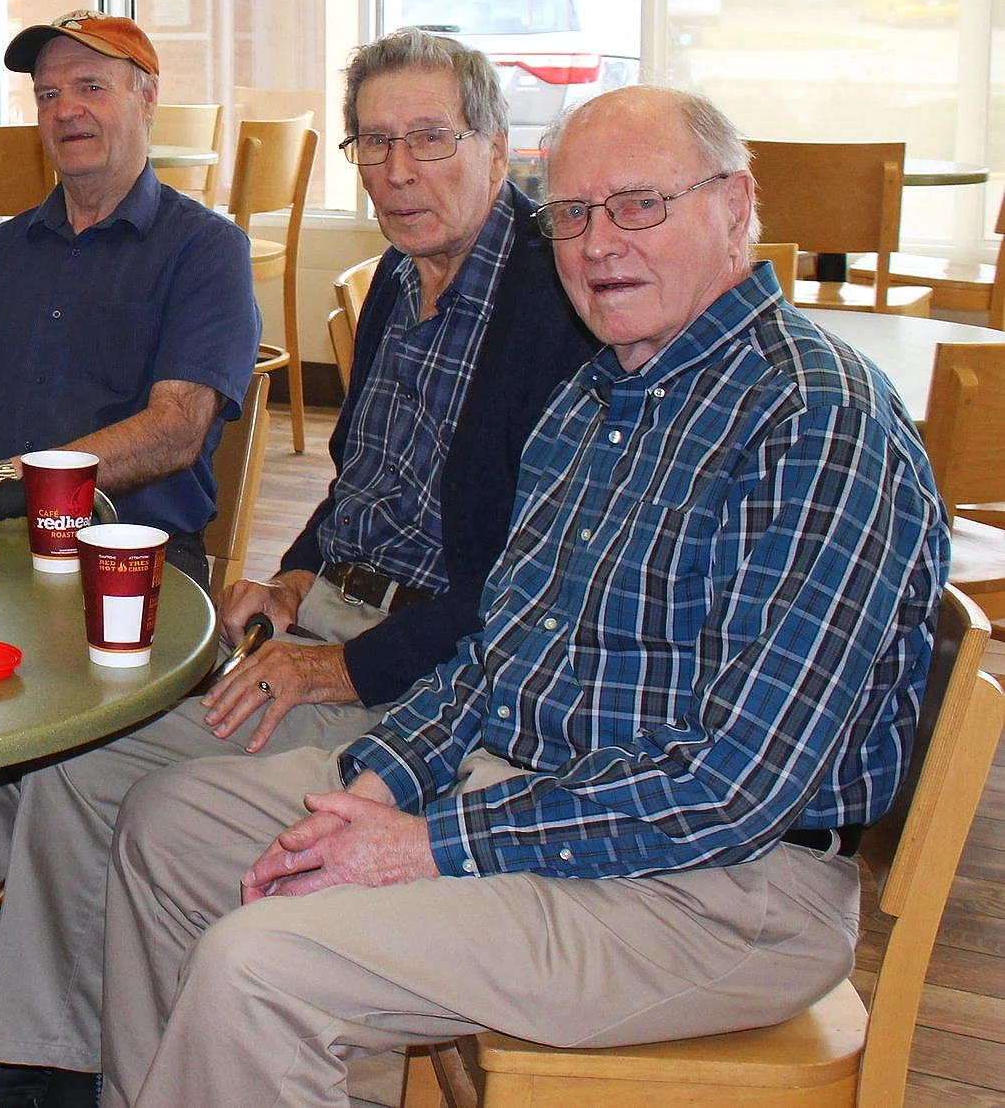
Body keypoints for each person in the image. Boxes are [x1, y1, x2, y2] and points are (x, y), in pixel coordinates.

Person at [101, 85, 947, 1108]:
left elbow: (734, 785)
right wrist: (381, 780)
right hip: (536, 801)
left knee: (261, 962)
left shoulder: (817, 423)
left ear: (735, 205)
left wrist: (425, 845)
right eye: (572, 215)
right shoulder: (596, 400)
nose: (597, 244)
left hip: (724, 889)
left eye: (639, 204)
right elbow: (500, 653)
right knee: (171, 823)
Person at [0, 28, 600, 1106]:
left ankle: (56, 1057)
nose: (398, 172)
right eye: (375, 143)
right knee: (42, 730)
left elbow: (524, 586)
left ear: (498, 145)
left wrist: (339, 666)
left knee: (84, 761)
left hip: (434, 678)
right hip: (326, 621)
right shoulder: (405, 281)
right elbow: (363, 478)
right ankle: (37, 1036)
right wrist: (296, 576)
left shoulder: (558, 303)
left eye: (430, 140)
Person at [0, 9, 259, 574]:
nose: (66, 109)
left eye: (91, 87)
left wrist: (2, 477)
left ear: (147, 98)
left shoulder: (204, 251)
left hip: (131, 555)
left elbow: (175, 432)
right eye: (48, 93)